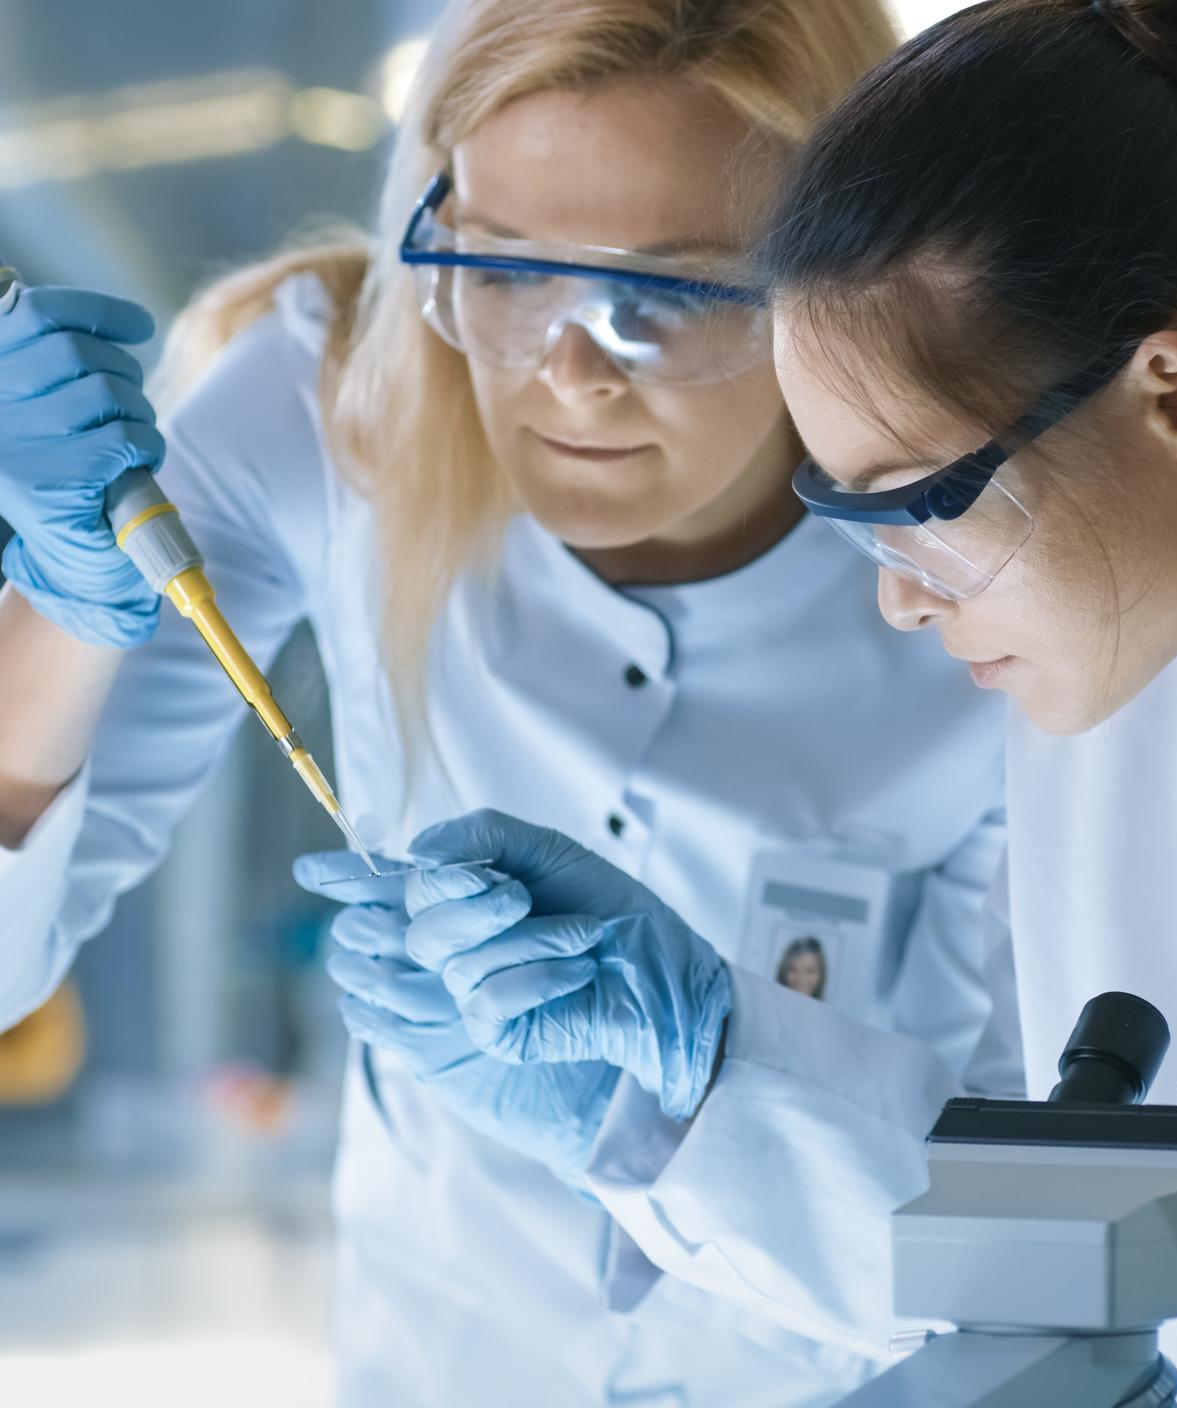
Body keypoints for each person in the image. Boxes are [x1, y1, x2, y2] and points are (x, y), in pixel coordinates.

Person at [339, 1, 1177, 1403]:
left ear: (1173, 400)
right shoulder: (1109, 696)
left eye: (923, 508)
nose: (898, 602)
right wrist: (688, 1085)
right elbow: (1085, 1252)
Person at [0, 1, 1019, 1402]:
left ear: (844, 281)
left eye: (677, 291)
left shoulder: (985, 573)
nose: (572, 369)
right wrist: (59, 608)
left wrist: (678, 1089)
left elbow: (1018, 1192)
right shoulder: (340, 391)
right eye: (505, 269)